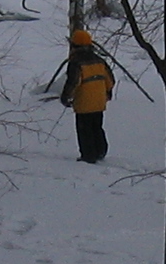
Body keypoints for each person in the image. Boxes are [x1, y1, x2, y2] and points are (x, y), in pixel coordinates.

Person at [49, 29, 116, 163]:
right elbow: (110, 80)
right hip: (99, 101)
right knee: (97, 126)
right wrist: (107, 92)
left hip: (84, 102)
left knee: (85, 130)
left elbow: (73, 82)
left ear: (74, 45)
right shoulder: (99, 60)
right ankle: (100, 151)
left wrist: (66, 97)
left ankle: (88, 156)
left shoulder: (76, 62)